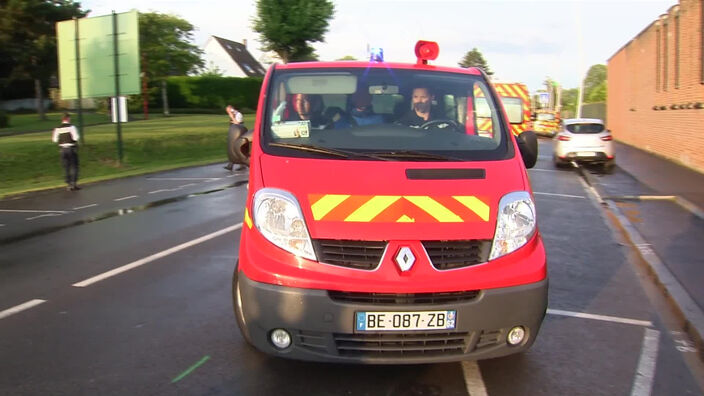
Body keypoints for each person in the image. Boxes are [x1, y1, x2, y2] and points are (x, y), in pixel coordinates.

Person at [52, 113, 81, 191]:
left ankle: (68, 184)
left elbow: (54, 140)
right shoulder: (72, 127)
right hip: (71, 148)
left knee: (66, 167)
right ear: (68, 118)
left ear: (62, 119)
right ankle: (74, 184)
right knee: (74, 166)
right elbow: (76, 138)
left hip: (62, 149)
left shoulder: (57, 128)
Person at [224, 105, 247, 171]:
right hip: (233, 134)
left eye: (229, 111)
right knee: (232, 149)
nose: (228, 112)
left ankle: (242, 165)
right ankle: (230, 165)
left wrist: (232, 117)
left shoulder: (238, 114)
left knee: (237, 149)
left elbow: (238, 124)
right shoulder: (233, 115)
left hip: (239, 134)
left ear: (232, 109)